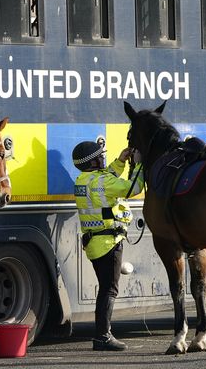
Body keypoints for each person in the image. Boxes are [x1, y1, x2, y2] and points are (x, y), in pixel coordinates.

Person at [72, 141, 144, 351]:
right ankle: (103, 337)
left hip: (95, 242)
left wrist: (120, 161)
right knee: (109, 290)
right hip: (109, 242)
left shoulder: (84, 179)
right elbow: (134, 188)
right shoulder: (101, 181)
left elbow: (106, 177)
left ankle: (102, 335)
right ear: (94, 161)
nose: (103, 159)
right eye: (100, 157)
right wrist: (138, 165)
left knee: (105, 288)